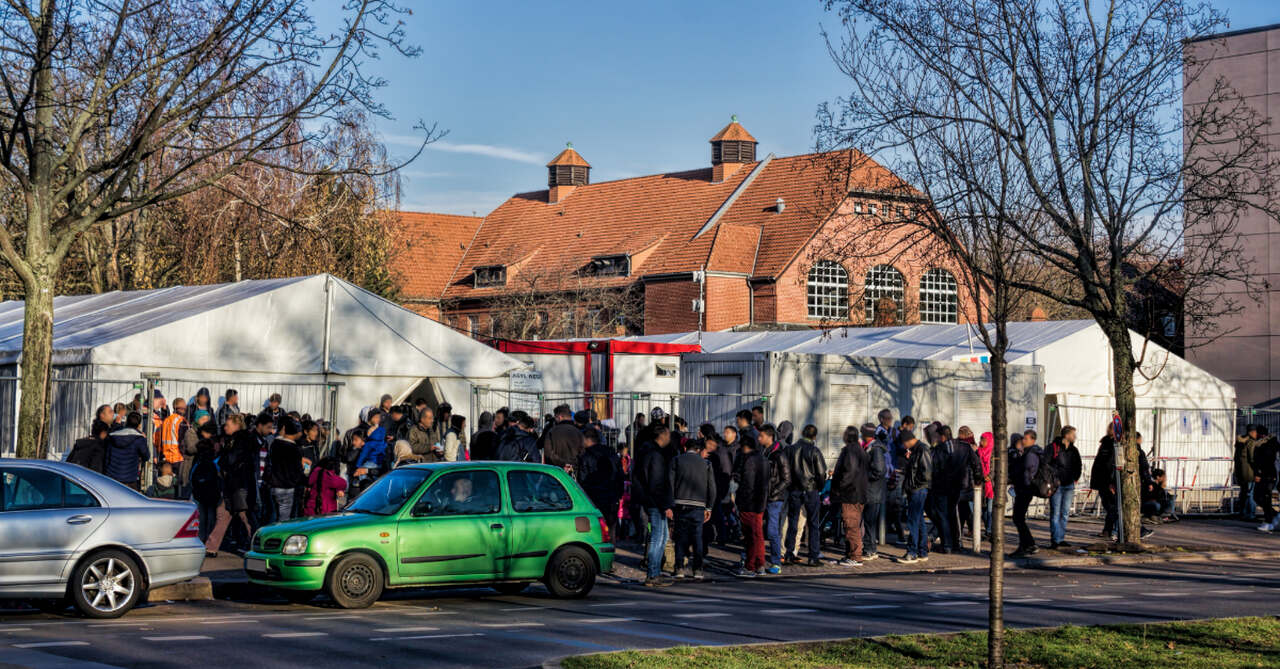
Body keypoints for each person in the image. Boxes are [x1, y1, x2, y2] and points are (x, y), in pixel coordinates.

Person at [632, 425, 675, 587]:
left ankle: (654, 572)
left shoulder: (645, 452)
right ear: (663, 435)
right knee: (659, 537)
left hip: (651, 500)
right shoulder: (655, 455)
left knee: (661, 536)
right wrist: (666, 504)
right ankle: (652, 574)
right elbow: (657, 483)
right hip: (656, 502)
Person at [669, 437, 716, 580]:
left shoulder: (676, 460)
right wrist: (709, 507)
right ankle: (697, 569)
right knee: (697, 538)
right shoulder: (707, 464)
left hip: (680, 504)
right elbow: (712, 488)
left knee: (680, 538)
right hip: (699, 506)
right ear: (699, 450)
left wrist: (670, 504)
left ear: (685, 448)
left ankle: (679, 568)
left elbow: (670, 484)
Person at [785, 424, 826, 566]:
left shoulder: (791, 449)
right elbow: (821, 473)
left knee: (793, 522)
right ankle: (813, 556)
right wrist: (818, 487)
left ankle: (789, 553)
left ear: (802, 433)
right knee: (813, 524)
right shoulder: (815, 451)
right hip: (811, 489)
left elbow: (786, 470)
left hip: (795, 489)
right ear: (815, 436)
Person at [831, 425, 870, 567]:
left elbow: (849, 472)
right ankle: (850, 555)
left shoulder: (850, 451)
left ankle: (855, 556)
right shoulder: (861, 451)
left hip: (851, 494)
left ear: (847, 436)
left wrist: (840, 488)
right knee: (852, 525)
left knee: (851, 525)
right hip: (858, 494)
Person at [579, 427, 623, 544]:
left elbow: (582, 480)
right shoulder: (611, 453)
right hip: (611, 497)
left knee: (595, 529)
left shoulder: (586, 456)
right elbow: (620, 475)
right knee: (611, 529)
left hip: (594, 499)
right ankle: (610, 555)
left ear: (587, 439)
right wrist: (619, 494)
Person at [734, 433, 767, 578]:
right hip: (760, 502)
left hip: (749, 503)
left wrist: (740, 502)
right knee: (758, 535)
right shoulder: (764, 459)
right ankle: (760, 564)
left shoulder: (749, 461)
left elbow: (747, 484)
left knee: (750, 536)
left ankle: (751, 566)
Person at [1045, 426, 1083, 548]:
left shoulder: (1074, 450)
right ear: (1066, 435)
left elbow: (1078, 464)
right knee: (1055, 512)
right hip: (1057, 485)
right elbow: (1045, 464)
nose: (1075, 437)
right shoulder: (1053, 448)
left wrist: (1076, 477)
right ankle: (1055, 539)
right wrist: (1052, 479)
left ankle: (1060, 538)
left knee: (1065, 512)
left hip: (1069, 484)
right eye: (1073, 434)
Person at [763, 425, 792, 572]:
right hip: (763, 496)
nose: (759, 438)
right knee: (760, 529)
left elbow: (787, 478)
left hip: (775, 498)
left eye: (761, 436)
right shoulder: (764, 452)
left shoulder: (779, 454)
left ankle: (776, 562)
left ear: (769, 437)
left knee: (772, 530)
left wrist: (774, 492)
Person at [188, 427, 223, 547]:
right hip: (212, 493)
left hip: (200, 493)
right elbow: (219, 476)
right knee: (211, 516)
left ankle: (201, 537)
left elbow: (191, 475)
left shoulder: (198, 460)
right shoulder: (214, 461)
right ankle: (209, 538)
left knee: (202, 517)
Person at [1010, 429, 1042, 557]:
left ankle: (1029, 544)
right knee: (1018, 518)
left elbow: (1028, 472)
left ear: (1032, 440)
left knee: (1018, 518)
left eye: (1026, 438)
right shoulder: (1029, 452)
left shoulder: (1030, 454)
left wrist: (1023, 485)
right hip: (1024, 489)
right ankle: (1025, 545)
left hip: (1025, 489)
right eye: (1023, 438)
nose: (1023, 440)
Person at [266, 417, 306, 521]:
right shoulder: (294, 448)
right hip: (287, 487)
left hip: (273, 485)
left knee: (272, 515)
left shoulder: (275, 444)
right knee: (284, 517)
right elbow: (297, 470)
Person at [899, 430, 930, 563]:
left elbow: (926, 473)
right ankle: (922, 551)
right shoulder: (916, 450)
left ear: (907, 441)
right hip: (917, 489)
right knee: (919, 521)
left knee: (912, 521)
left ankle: (912, 552)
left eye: (903, 444)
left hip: (918, 490)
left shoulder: (922, 449)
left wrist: (913, 486)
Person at [861, 423, 888, 561]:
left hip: (873, 491)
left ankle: (870, 550)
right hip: (870, 491)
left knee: (870, 522)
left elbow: (879, 470)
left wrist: (864, 476)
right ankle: (869, 548)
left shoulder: (875, 449)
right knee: (868, 522)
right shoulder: (870, 447)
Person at [106, 412, 150, 490]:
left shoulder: (112, 436)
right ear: (139, 425)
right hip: (130, 479)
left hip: (112, 477)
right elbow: (146, 456)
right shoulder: (139, 439)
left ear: (126, 422)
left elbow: (107, 456)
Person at [543, 405, 585, 473]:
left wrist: (563, 464)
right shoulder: (579, 432)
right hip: (575, 470)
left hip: (556, 471)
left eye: (555, 417)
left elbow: (548, 453)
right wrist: (572, 464)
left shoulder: (551, 431)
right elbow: (583, 451)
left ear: (559, 417)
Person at [1253, 427, 1279, 530]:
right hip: (1265, 474)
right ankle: (1274, 515)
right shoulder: (1260, 445)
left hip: (1268, 475)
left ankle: (1269, 521)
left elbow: (1265, 461)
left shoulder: (1268, 445)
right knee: (1258, 497)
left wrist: (1259, 473)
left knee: (1265, 497)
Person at [160, 397, 188, 473]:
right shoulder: (181, 421)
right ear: (183, 407)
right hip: (177, 457)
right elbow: (183, 440)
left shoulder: (166, 420)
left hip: (166, 457)